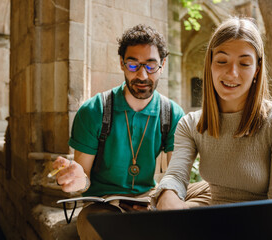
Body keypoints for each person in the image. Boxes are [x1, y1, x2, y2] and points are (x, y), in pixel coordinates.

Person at [52, 24, 209, 240]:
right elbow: (84, 179)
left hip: (151, 197)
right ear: (122, 64)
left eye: (151, 66)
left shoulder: (171, 113)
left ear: (163, 65)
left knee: (212, 192)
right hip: (105, 204)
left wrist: (159, 200)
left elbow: (177, 175)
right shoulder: (94, 110)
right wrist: (78, 180)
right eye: (133, 65)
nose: (142, 75)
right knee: (95, 225)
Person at [153, 17, 272, 210]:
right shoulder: (190, 124)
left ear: (257, 69)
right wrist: (167, 195)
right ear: (210, 64)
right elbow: (176, 176)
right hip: (214, 222)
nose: (232, 73)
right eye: (222, 61)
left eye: (244, 63)